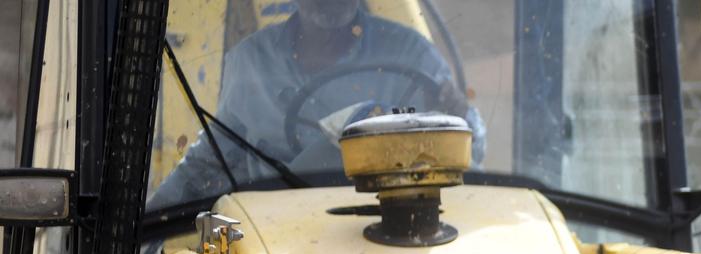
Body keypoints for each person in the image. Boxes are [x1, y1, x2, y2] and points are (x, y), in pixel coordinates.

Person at [152, 0, 483, 209]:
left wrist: (459, 114)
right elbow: (208, 163)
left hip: (384, 222)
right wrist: (146, 226)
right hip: (274, 236)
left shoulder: (411, 54)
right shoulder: (252, 62)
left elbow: (468, 149)